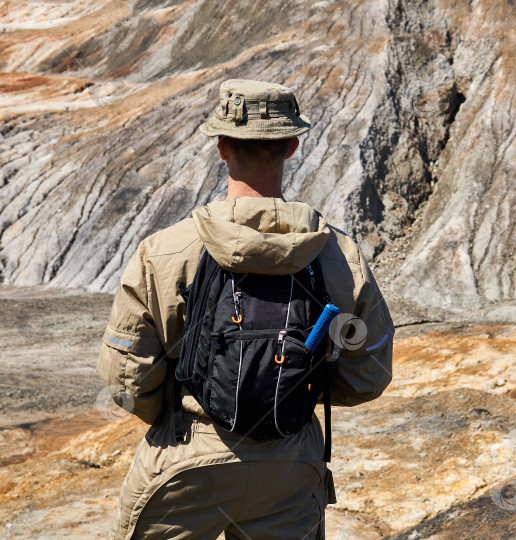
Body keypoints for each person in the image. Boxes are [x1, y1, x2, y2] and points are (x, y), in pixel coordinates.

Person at [97, 79, 394, 539]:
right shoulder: (341, 255)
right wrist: (290, 391)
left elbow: (126, 380)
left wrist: (189, 416)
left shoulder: (164, 251)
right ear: (292, 147)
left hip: (185, 460)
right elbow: (366, 376)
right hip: (291, 468)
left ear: (221, 147)